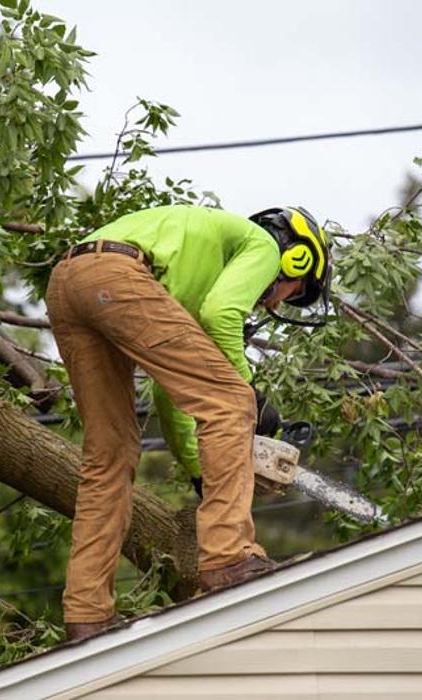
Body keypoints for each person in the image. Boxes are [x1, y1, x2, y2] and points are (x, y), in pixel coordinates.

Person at [45, 204, 331, 642]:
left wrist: (204, 470)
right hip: (119, 276)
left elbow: (170, 394)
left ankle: (86, 614)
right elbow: (223, 315)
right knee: (232, 401)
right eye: (294, 291)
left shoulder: (190, 280)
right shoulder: (265, 247)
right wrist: (251, 397)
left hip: (67, 282)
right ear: (298, 259)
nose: (277, 299)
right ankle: (228, 558)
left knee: (110, 453)